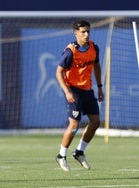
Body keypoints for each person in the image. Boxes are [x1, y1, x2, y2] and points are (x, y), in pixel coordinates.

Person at [55, 20, 104, 171]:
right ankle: (61, 156)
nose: (86, 34)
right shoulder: (71, 51)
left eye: (88, 31)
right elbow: (58, 72)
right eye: (83, 32)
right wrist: (67, 91)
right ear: (76, 33)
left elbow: (96, 66)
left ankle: (79, 152)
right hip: (73, 91)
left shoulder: (94, 47)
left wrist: (100, 87)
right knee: (74, 125)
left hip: (87, 90)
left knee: (95, 122)